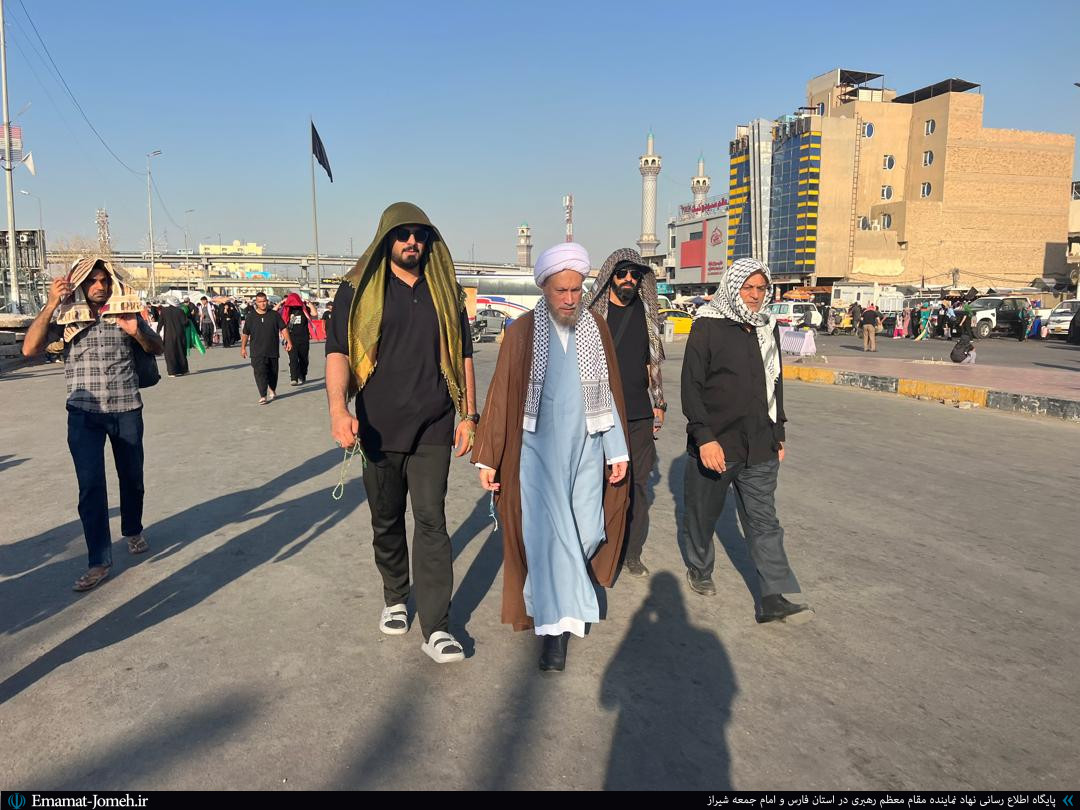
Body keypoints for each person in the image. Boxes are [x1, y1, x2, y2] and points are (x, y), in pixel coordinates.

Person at [326, 201, 477, 665]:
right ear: (386, 238)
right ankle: (395, 595)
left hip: (434, 424)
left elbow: (464, 354)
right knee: (387, 518)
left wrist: (469, 414)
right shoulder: (356, 290)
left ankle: (437, 627)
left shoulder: (445, 290)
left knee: (432, 520)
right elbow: (338, 352)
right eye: (403, 233)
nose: (413, 241)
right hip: (377, 426)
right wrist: (338, 409)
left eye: (421, 234)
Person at [473, 242, 629, 672]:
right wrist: (489, 458)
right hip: (537, 456)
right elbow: (501, 395)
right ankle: (555, 630)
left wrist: (616, 449)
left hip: (587, 451)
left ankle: (561, 602)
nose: (570, 299)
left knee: (588, 531)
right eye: (561, 290)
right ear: (544, 287)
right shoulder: (523, 332)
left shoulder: (596, 327)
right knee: (550, 541)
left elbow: (608, 393)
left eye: (576, 290)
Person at [21, 257, 164, 592]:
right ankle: (98, 561)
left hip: (126, 408)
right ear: (81, 285)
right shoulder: (66, 315)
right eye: (92, 281)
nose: (99, 287)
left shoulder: (125, 311)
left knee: (132, 478)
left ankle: (132, 529)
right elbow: (29, 348)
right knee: (90, 487)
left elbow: (156, 348)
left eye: (104, 280)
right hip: (84, 414)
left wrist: (136, 332)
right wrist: (51, 303)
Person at [680, 257, 811, 624]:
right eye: (747, 288)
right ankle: (700, 568)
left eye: (760, 288)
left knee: (764, 521)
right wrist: (704, 438)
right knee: (702, 514)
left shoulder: (767, 327)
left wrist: (778, 432)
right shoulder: (707, 326)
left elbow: (775, 383)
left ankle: (772, 597)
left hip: (760, 442)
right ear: (733, 288)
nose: (754, 295)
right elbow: (691, 386)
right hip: (717, 443)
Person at [583, 248, 666, 578]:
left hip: (639, 415)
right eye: (622, 273)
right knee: (601, 484)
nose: (629, 279)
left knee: (639, 486)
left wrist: (658, 403)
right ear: (610, 277)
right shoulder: (594, 316)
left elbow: (652, 364)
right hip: (601, 414)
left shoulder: (646, 315)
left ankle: (632, 551)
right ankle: (600, 549)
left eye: (635, 274)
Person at [241, 292, 291, 404]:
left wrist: (289, 341)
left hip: (272, 350)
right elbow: (245, 333)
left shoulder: (274, 315)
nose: (263, 304)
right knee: (260, 372)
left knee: (273, 373)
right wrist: (243, 348)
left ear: (267, 302)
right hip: (256, 351)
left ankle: (272, 388)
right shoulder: (251, 317)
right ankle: (263, 395)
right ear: (256, 303)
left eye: (264, 301)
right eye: (260, 302)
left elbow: (283, 328)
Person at [279, 292, 311, 386]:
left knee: (303, 359)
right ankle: (294, 378)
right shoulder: (286, 310)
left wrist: (309, 304)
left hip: (303, 338)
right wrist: (282, 302)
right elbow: (273, 311)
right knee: (293, 358)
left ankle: (302, 375)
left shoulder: (304, 309)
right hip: (290, 339)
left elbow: (314, 314)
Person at [156, 301, 191, 376]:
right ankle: (184, 370)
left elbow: (160, 323)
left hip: (168, 335)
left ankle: (172, 372)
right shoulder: (180, 311)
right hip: (180, 335)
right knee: (181, 352)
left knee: (170, 354)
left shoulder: (164, 311)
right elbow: (185, 323)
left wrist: (158, 332)